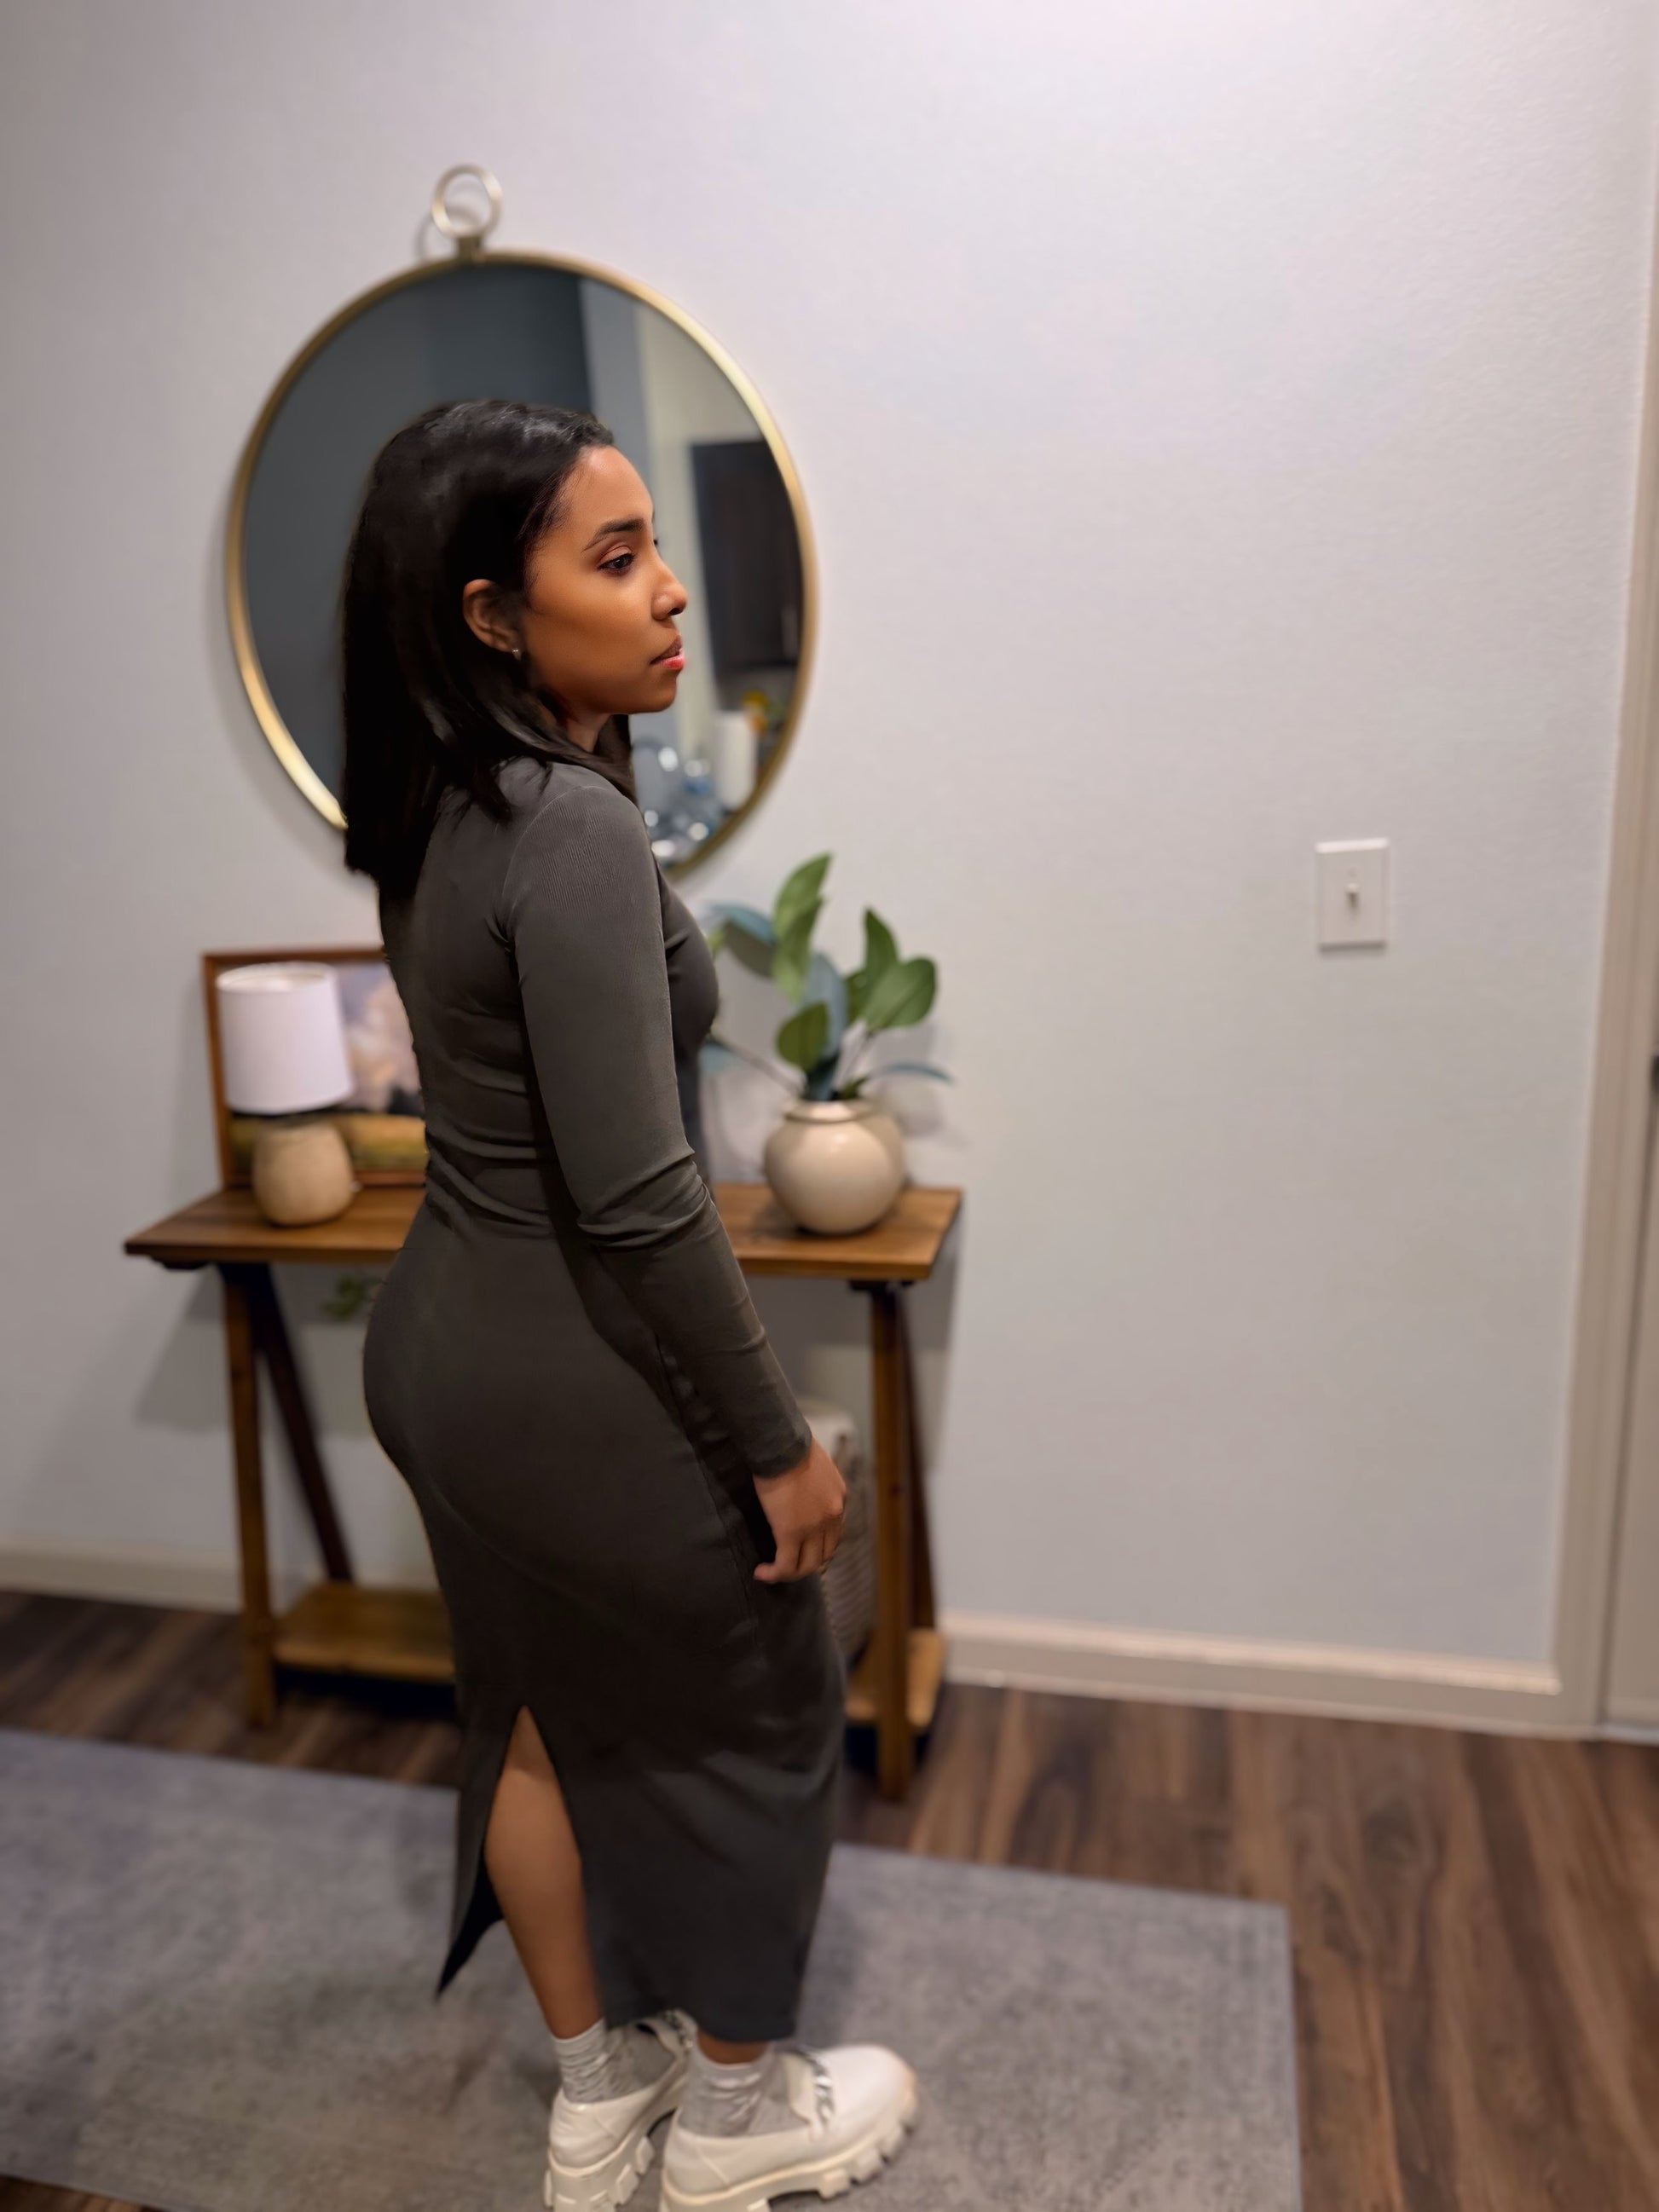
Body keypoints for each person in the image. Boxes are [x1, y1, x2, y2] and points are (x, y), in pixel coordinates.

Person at [344, 397, 918, 2212]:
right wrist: (775, 1442)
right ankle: (735, 2122)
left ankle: (600, 2099)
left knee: (532, 1712)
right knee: (765, 1709)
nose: (671, 589)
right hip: (562, 1362)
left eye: (655, 545)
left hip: (438, 1355)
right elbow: (642, 1192)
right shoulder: (568, 829)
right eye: (616, 558)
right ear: (490, 614)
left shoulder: (434, 807)